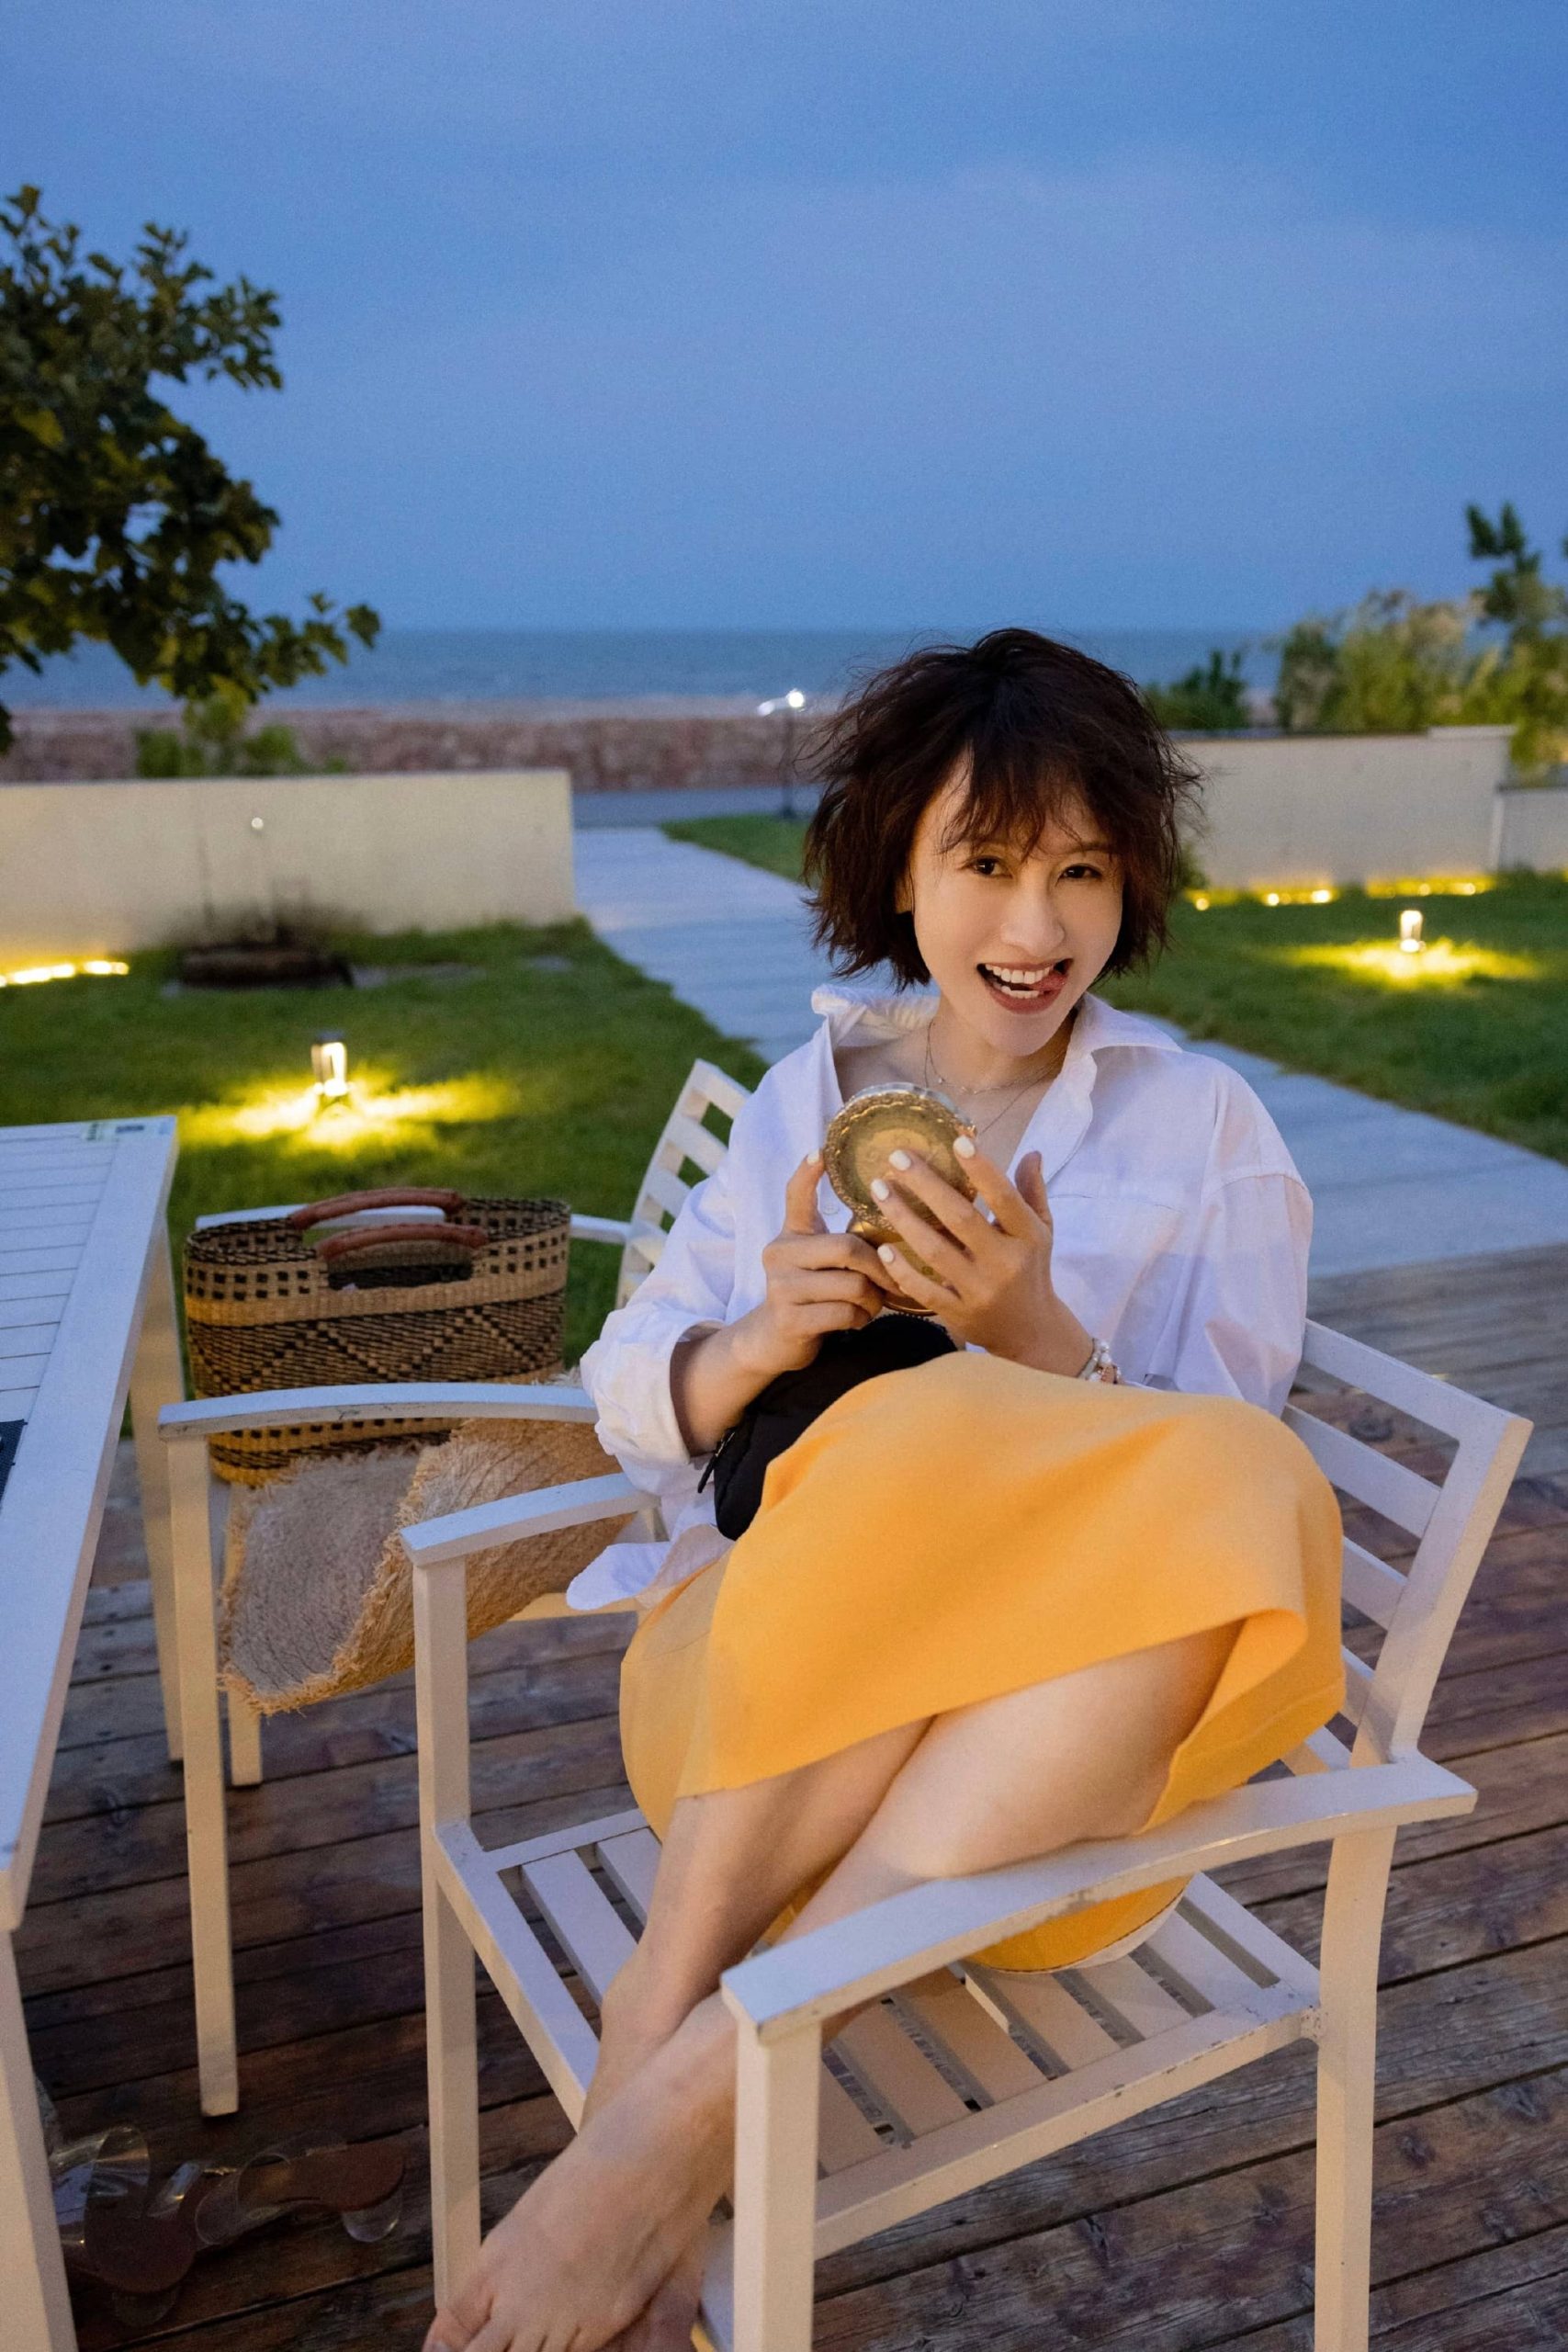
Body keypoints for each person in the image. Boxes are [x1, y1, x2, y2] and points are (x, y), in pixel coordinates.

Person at [426, 630, 1345, 2352]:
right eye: (985, 863)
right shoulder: (808, 1103)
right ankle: (684, 2024)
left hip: (1056, 1800)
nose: (1036, 925)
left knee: (1226, 1474)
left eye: (1083, 871)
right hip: (749, 1751)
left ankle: (669, 2078)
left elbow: (1222, 1513)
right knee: (899, 1426)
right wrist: (754, 1342)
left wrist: (1040, 1340)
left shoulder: (1205, 1128)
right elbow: (627, 1392)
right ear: (898, 874)